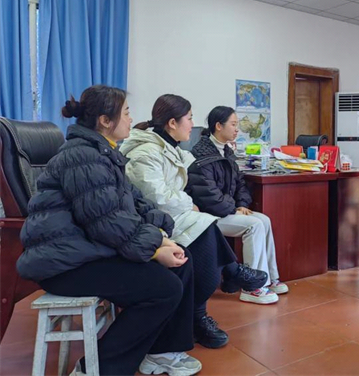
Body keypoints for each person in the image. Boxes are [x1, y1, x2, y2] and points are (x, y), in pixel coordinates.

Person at [17, 85, 201, 376]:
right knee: (164, 289)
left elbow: (135, 203)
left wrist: (163, 234)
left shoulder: (103, 152)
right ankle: (96, 369)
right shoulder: (83, 157)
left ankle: (162, 352)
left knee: (182, 260)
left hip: (86, 249)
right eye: (126, 113)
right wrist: (155, 248)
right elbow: (108, 223)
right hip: (65, 265)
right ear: (105, 120)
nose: (131, 119)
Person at [120, 95, 267, 350]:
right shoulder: (146, 153)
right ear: (172, 123)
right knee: (206, 229)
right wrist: (190, 204)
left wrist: (193, 204)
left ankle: (210, 300)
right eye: (189, 119)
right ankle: (218, 290)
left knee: (207, 229)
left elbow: (191, 184)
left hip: (170, 216)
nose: (193, 125)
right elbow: (158, 197)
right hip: (151, 221)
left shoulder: (171, 148)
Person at [186, 106, 288, 305]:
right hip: (208, 216)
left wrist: (241, 204)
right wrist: (234, 208)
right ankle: (252, 287)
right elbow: (208, 196)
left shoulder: (227, 152)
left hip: (227, 210)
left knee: (264, 220)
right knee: (254, 225)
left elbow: (240, 184)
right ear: (218, 126)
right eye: (233, 124)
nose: (237, 129)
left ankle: (270, 278)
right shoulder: (201, 155)